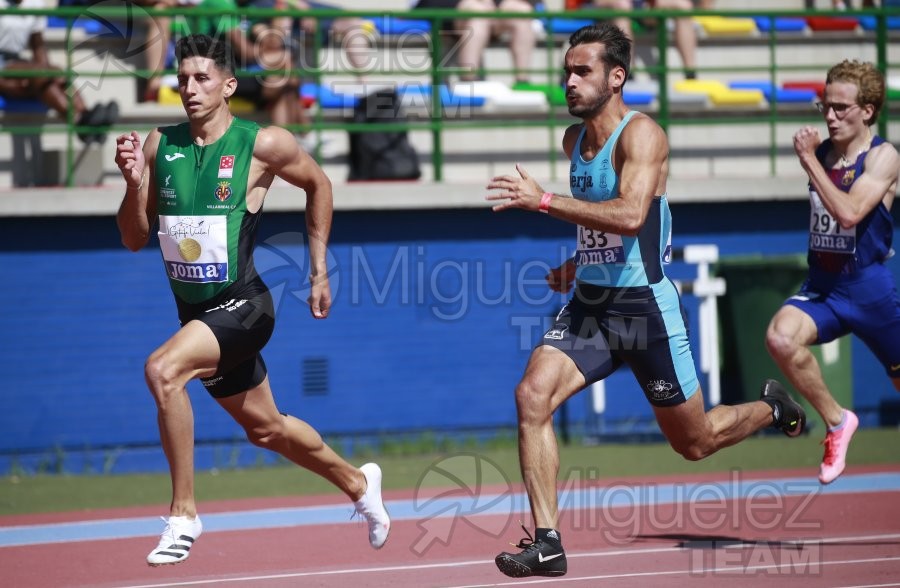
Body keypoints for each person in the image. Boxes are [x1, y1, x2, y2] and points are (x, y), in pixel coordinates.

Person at [485, 22, 805, 578]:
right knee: (532, 395)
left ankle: (774, 408)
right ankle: (548, 541)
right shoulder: (573, 142)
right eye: (566, 71)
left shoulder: (643, 136)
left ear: (616, 76)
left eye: (581, 72)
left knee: (695, 442)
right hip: (591, 305)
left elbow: (633, 215)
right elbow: (606, 229)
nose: (569, 81)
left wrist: (540, 200)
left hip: (643, 310)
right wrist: (581, 261)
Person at [114, 33, 390, 566]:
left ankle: (183, 514)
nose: (191, 90)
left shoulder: (262, 144)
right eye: (183, 80)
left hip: (246, 306)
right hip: (197, 312)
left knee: (163, 370)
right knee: (266, 429)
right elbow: (132, 237)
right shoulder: (158, 145)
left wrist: (318, 270)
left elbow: (320, 185)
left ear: (228, 85)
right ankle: (359, 484)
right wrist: (132, 184)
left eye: (203, 79)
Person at [765, 60, 900, 486]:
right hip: (823, 287)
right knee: (780, 337)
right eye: (826, 106)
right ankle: (838, 422)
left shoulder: (883, 156)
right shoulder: (824, 153)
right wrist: (815, 159)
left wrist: (808, 161)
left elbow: (849, 213)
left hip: (870, 290)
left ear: (868, 110)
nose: (829, 116)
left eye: (841, 108)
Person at [0, 0, 117, 143]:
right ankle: (81, 122)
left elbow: (38, 46)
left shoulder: (35, 4)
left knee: (58, 73)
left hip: (16, 60)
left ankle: (85, 114)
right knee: (41, 74)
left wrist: (49, 74)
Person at [569, 0, 714, 80]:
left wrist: (650, 7)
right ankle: (627, 71)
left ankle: (690, 72)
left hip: (636, 5)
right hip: (591, 4)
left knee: (683, 5)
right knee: (622, 5)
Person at [414, 0, 537, 85]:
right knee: (479, 15)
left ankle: (522, 82)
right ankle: (469, 80)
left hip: (492, 9)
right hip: (451, 7)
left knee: (523, 12)